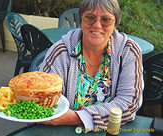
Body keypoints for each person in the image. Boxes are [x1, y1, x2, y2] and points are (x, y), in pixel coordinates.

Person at [39, 0, 144, 132]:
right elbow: (42, 99)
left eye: (106, 20)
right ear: (81, 20)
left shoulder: (128, 51)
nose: (97, 25)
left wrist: (79, 117)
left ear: (115, 24)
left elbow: (129, 104)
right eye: (90, 18)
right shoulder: (60, 52)